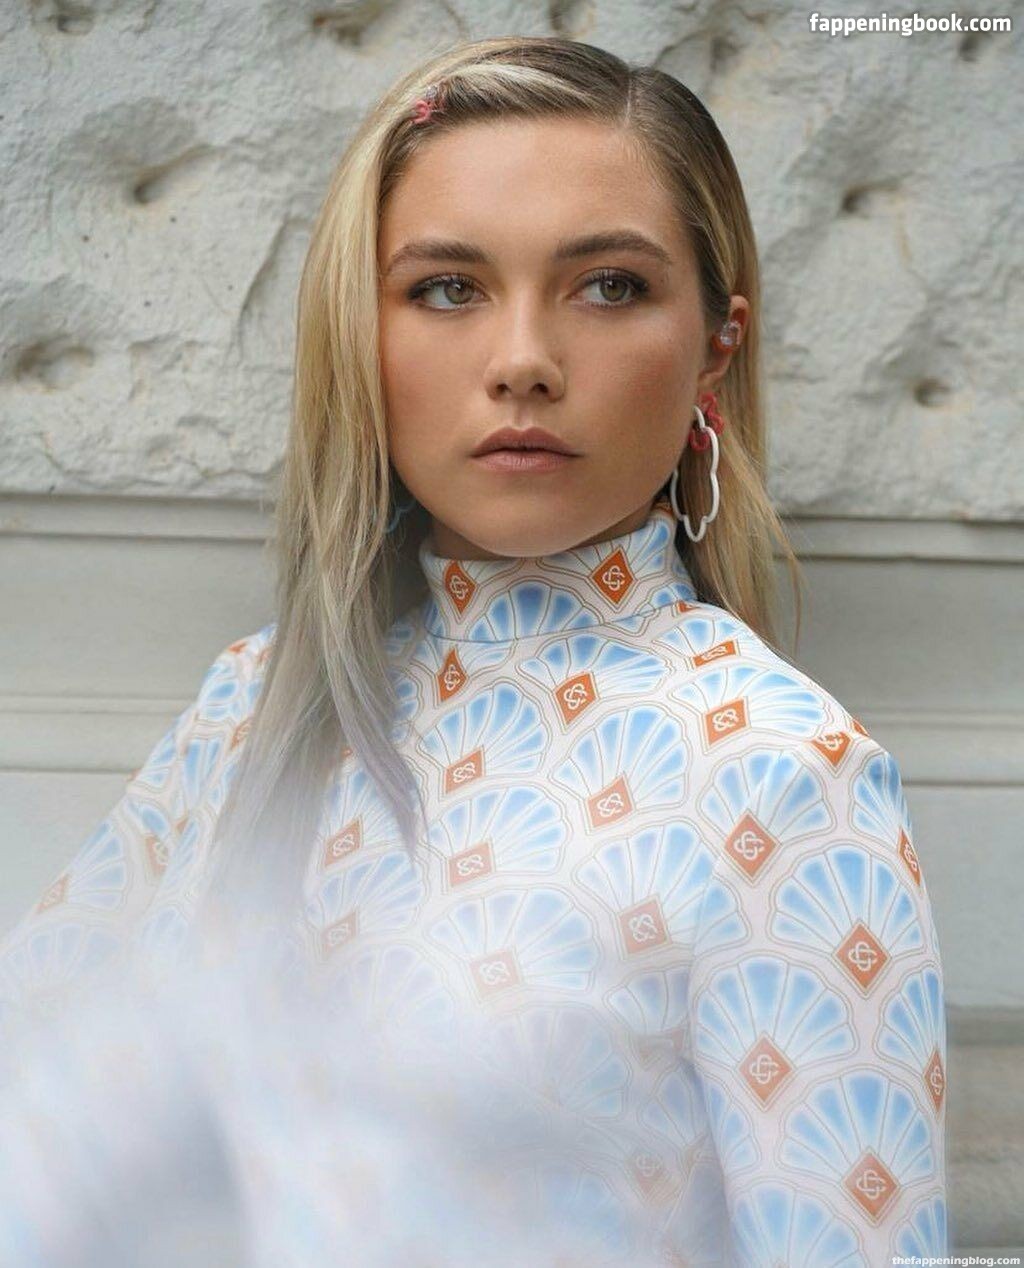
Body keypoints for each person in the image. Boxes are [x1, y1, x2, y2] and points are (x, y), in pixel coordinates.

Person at [0, 35, 947, 1264]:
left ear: (715, 343)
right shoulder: (249, 705)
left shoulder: (784, 775)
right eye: (448, 289)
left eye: (608, 285)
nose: (521, 363)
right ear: (361, 331)